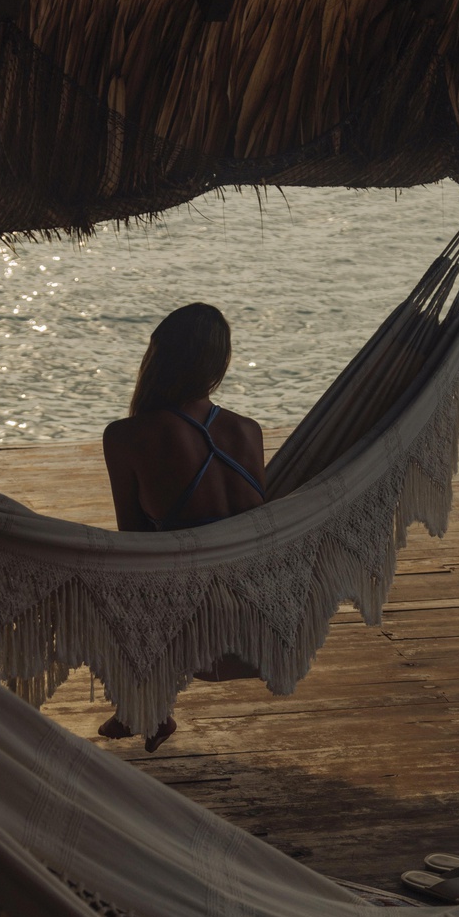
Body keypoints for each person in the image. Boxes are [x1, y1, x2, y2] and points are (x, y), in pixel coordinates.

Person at [100, 302, 267, 752]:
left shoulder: (126, 435)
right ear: (219, 363)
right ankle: (147, 708)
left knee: (110, 574)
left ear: (159, 358)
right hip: (252, 599)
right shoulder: (249, 431)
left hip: (191, 599)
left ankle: (146, 704)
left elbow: (133, 540)